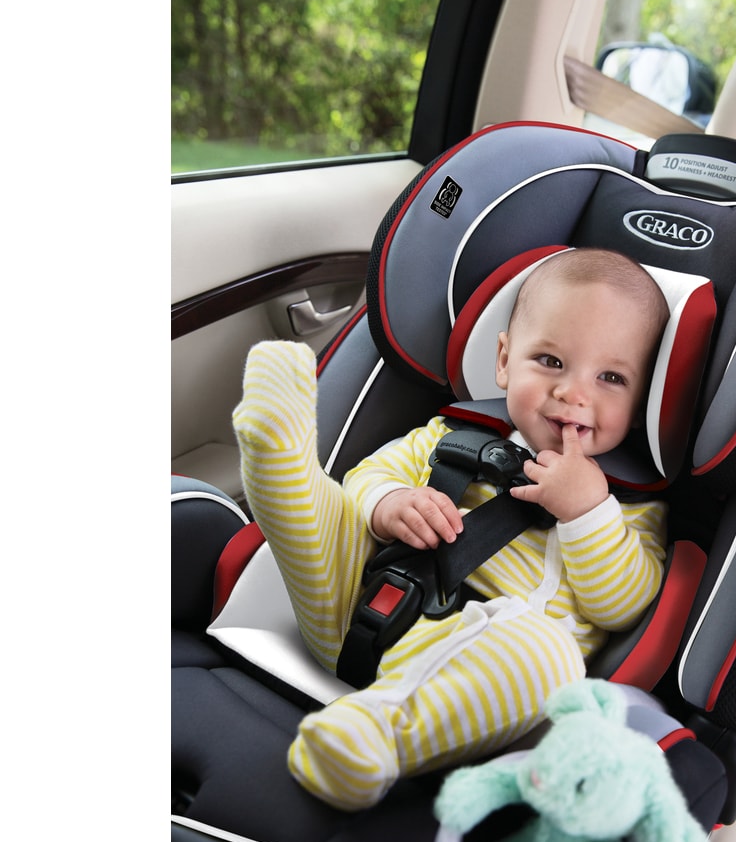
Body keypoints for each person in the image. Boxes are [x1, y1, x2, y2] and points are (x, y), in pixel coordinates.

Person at [232, 248, 671, 811]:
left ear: (641, 402)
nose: (573, 393)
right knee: (329, 509)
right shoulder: (452, 436)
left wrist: (587, 513)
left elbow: (624, 606)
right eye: (550, 361)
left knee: (550, 657)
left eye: (611, 377)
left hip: (471, 685)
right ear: (505, 360)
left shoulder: (629, 505)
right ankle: (278, 449)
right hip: (355, 607)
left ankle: (373, 735)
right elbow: (368, 476)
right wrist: (390, 503)